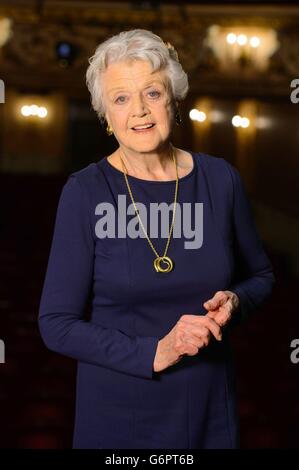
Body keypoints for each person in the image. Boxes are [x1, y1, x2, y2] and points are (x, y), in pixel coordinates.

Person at [38, 29, 275, 449]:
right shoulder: (86, 191)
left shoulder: (221, 179)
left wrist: (237, 303)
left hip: (208, 405)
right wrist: (155, 351)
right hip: (118, 414)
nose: (140, 111)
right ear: (106, 116)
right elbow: (56, 325)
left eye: (152, 92)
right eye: (121, 98)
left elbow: (260, 275)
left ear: (174, 100)